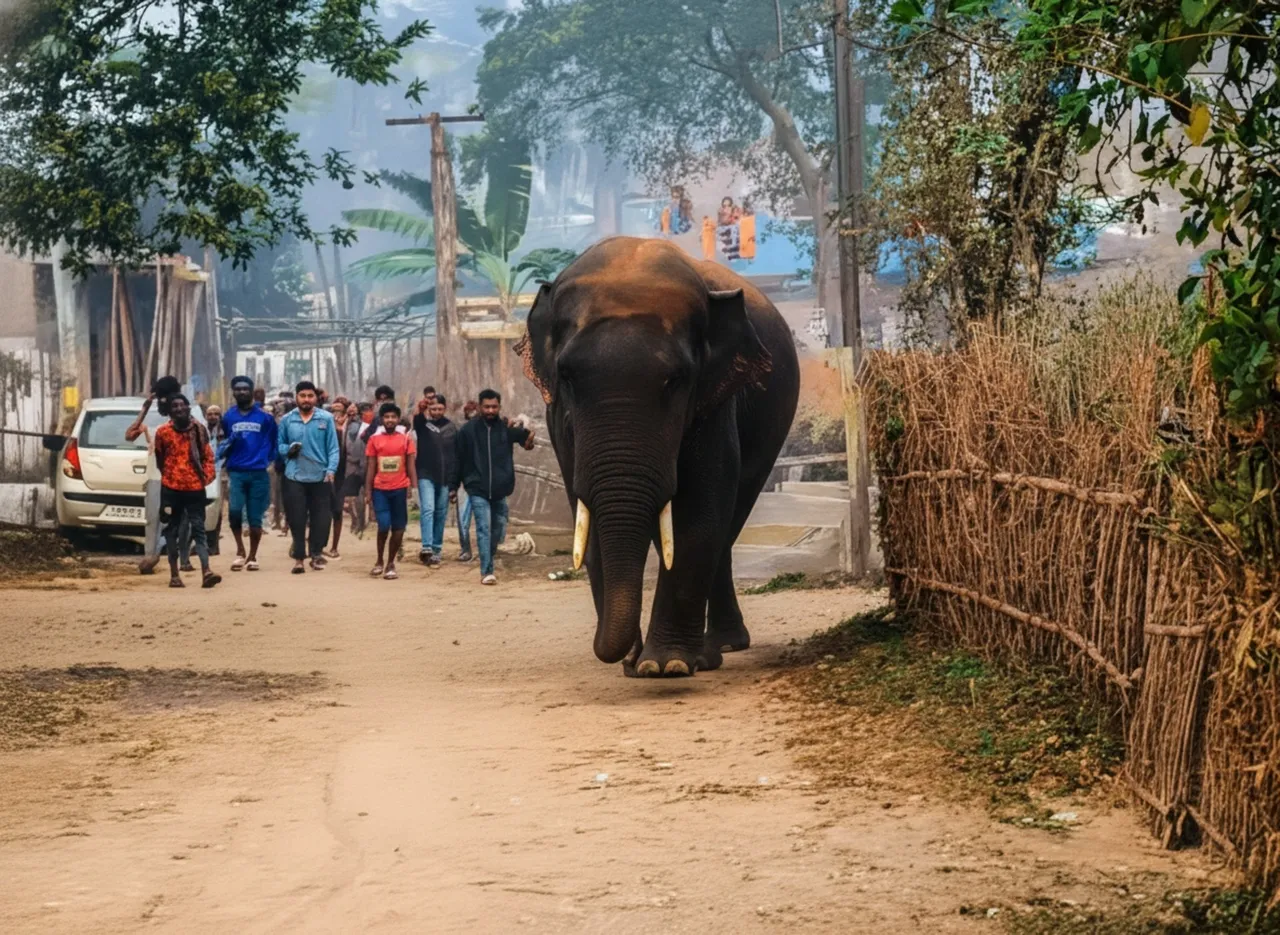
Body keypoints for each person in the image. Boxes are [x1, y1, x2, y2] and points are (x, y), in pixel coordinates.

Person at [456, 389, 536, 585]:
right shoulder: (468, 430)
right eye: (487, 407)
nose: (490, 410)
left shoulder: (506, 428)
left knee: (498, 529)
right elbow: (458, 459)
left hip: (501, 488)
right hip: (477, 487)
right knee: (483, 527)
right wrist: (454, 485)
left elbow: (527, 442)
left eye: (494, 407)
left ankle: (489, 555)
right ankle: (487, 571)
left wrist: (529, 432)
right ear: (480, 407)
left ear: (499, 407)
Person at [153, 394, 220, 589]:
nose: (179, 409)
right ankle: (174, 575)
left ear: (188, 408)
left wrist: (205, 478)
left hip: (194, 490)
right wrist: (169, 477)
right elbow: (160, 458)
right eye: (175, 406)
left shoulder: (199, 429)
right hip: (171, 490)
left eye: (182, 406)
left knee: (199, 529)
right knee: (171, 531)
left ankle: (206, 571)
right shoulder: (163, 432)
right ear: (170, 411)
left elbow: (208, 456)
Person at [277, 381, 340, 574]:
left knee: (321, 519)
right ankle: (298, 559)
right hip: (294, 477)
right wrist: (289, 449)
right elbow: (279, 446)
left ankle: (316, 553)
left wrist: (331, 470)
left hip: (320, 477)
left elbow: (333, 448)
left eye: (310, 396)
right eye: (302, 395)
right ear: (296, 398)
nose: (306, 399)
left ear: (316, 398)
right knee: (296, 519)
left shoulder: (326, 419)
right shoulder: (287, 420)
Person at [218, 376, 277, 571]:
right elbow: (225, 441)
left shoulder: (265, 418)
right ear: (233, 392)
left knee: (254, 516)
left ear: (251, 391)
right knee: (234, 512)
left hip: (258, 473)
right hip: (237, 473)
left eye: (245, 389)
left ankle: (252, 556)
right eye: (238, 389)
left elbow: (273, 443)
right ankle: (239, 551)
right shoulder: (228, 417)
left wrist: (268, 462)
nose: (241, 392)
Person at [126, 375, 182, 575]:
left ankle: (178, 557)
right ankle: (150, 555)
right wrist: (145, 407)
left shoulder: (187, 414)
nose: (165, 401)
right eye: (161, 397)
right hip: (155, 476)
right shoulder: (151, 417)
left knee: (179, 518)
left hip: (180, 476)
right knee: (153, 518)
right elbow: (129, 435)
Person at [364, 402, 417, 580]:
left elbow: (411, 466)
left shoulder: (405, 440)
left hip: (400, 489)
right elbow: (371, 467)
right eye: (386, 417)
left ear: (398, 419)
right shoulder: (374, 440)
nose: (390, 420)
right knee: (384, 525)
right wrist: (368, 491)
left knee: (399, 528)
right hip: (380, 489)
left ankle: (390, 563)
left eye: (393, 417)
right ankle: (379, 560)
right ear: (381, 419)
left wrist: (414, 488)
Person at [412, 393, 458, 566]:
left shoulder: (451, 428)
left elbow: (455, 456)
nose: (436, 412)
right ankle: (427, 547)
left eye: (439, 409)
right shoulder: (424, 425)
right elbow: (416, 418)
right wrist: (421, 407)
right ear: (429, 409)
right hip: (425, 474)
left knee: (441, 512)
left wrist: (454, 483)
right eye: (433, 409)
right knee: (428, 509)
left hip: (445, 476)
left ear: (445, 409)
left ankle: (437, 548)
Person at [325, 402, 350, 560]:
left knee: (337, 511)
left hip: (341, 476)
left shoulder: (349, 431)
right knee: (320, 512)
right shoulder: (325, 430)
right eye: (334, 413)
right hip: (323, 475)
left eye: (340, 413)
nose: (337, 417)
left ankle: (334, 547)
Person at [342, 402, 371, 537]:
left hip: (362, 463)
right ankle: (357, 521)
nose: (352, 414)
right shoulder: (345, 425)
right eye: (350, 412)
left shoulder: (364, 427)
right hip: (350, 463)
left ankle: (361, 522)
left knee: (359, 495)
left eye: (355, 412)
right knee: (352, 497)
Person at [455, 400, 479, 562]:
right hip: (465, 481)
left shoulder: (489, 433)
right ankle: (466, 548)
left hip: (480, 481)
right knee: (464, 517)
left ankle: (479, 549)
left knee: (483, 517)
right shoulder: (462, 433)